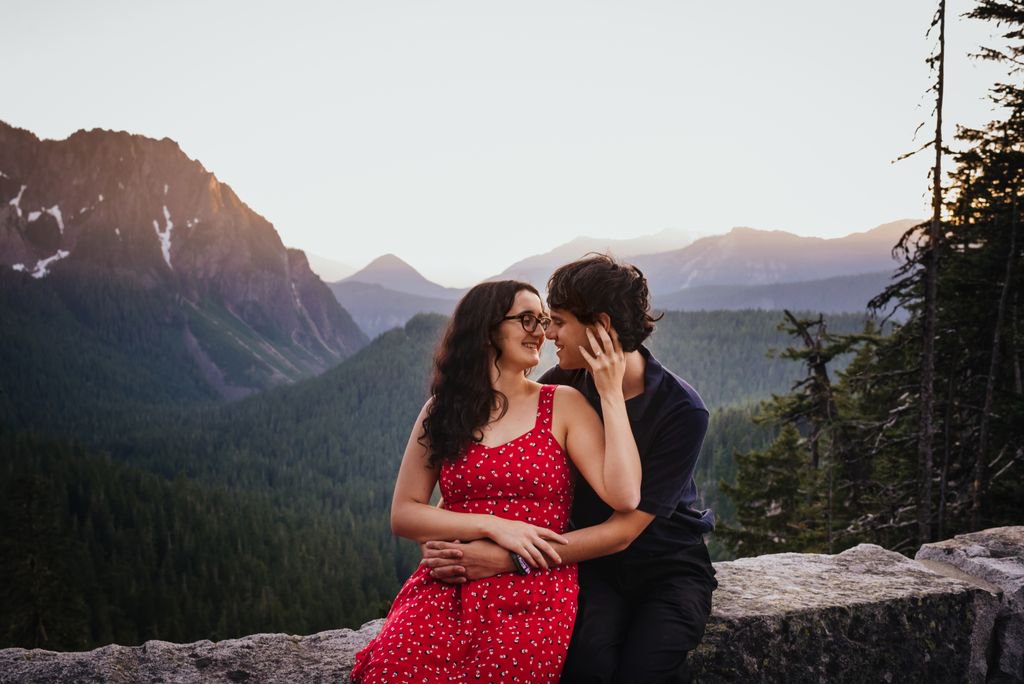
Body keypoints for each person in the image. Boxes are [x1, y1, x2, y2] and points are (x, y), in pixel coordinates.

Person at [422, 255, 718, 684]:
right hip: (588, 563)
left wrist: (510, 560)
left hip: (668, 567)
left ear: (599, 325)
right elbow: (511, 470)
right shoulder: (564, 383)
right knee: (586, 664)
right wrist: (454, 538)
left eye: (558, 321)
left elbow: (623, 529)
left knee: (645, 670)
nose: (548, 334)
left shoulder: (681, 409)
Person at [350, 279, 642, 683]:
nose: (540, 331)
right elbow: (404, 514)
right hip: (449, 585)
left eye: (542, 320)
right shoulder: (443, 409)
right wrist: (494, 525)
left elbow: (625, 495)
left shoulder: (562, 404)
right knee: (391, 672)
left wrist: (610, 393)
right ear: (488, 328)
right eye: (526, 319)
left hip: (533, 586)